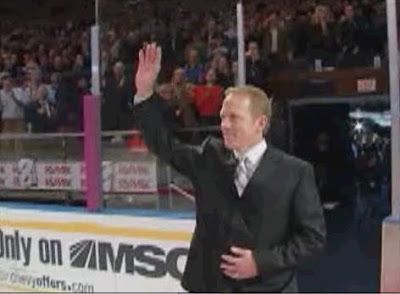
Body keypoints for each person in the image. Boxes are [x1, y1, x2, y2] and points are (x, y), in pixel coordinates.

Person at [133, 44, 326, 292]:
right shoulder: (209, 156)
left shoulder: (295, 172)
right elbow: (164, 144)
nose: (223, 124)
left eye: (234, 117)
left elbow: (312, 238)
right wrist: (144, 93)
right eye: (222, 116)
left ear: (260, 123)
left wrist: (262, 262)